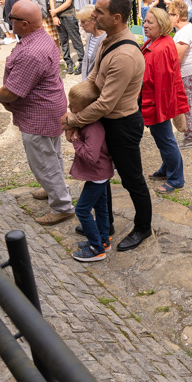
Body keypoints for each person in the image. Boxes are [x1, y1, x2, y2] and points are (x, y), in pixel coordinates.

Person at [63, 0, 152, 252]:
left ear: (116, 18)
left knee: (131, 179)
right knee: (101, 173)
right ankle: (106, 224)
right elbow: (92, 79)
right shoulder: (107, 40)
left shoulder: (123, 54)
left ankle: (143, 226)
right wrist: (78, 106)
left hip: (122, 124)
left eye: (99, 12)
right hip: (107, 120)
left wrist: (73, 120)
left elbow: (106, 103)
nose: (93, 15)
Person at [0, 1, 74, 225]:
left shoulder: (31, 52)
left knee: (43, 162)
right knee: (52, 155)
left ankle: (62, 206)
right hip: (48, 109)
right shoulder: (41, 36)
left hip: (38, 115)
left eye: (12, 18)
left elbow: (12, 92)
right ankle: (55, 190)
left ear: (25, 24)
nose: (10, 21)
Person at [140, 8, 188, 194]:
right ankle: (166, 169)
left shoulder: (161, 48)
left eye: (150, 22)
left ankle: (176, 179)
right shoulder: (158, 42)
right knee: (162, 139)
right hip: (153, 102)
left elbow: (162, 82)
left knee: (166, 140)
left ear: (161, 25)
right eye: (144, 21)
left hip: (156, 103)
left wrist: (160, 111)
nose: (145, 25)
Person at [67, 81, 114, 261]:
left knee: (82, 210)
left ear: (88, 108)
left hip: (98, 175)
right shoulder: (90, 122)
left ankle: (96, 248)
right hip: (101, 174)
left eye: (74, 106)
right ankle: (104, 239)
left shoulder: (93, 128)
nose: (69, 107)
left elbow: (91, 156)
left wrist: (76, 141)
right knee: (100, 208)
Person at [167, 0, 192, 148]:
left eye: (170, 14)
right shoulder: (188, 28)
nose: (168, 17)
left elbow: (178, 59)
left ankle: (190, 137)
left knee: (187, 106)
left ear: (177, 16)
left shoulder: (183, 34)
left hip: (187, 74)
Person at [50, 0, 84, 74]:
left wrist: (54, 11)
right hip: (58, 16)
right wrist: (54, 15)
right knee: (63, 40)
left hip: (69, 16)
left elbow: (68, 2)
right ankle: (68, 62)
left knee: (75, 39)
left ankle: (82, 62)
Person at [77, 5, 106, 79]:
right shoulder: (90, 36)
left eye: (83, 22)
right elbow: (85, 60)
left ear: (94, 21)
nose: (81, 25)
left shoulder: (105, 39)